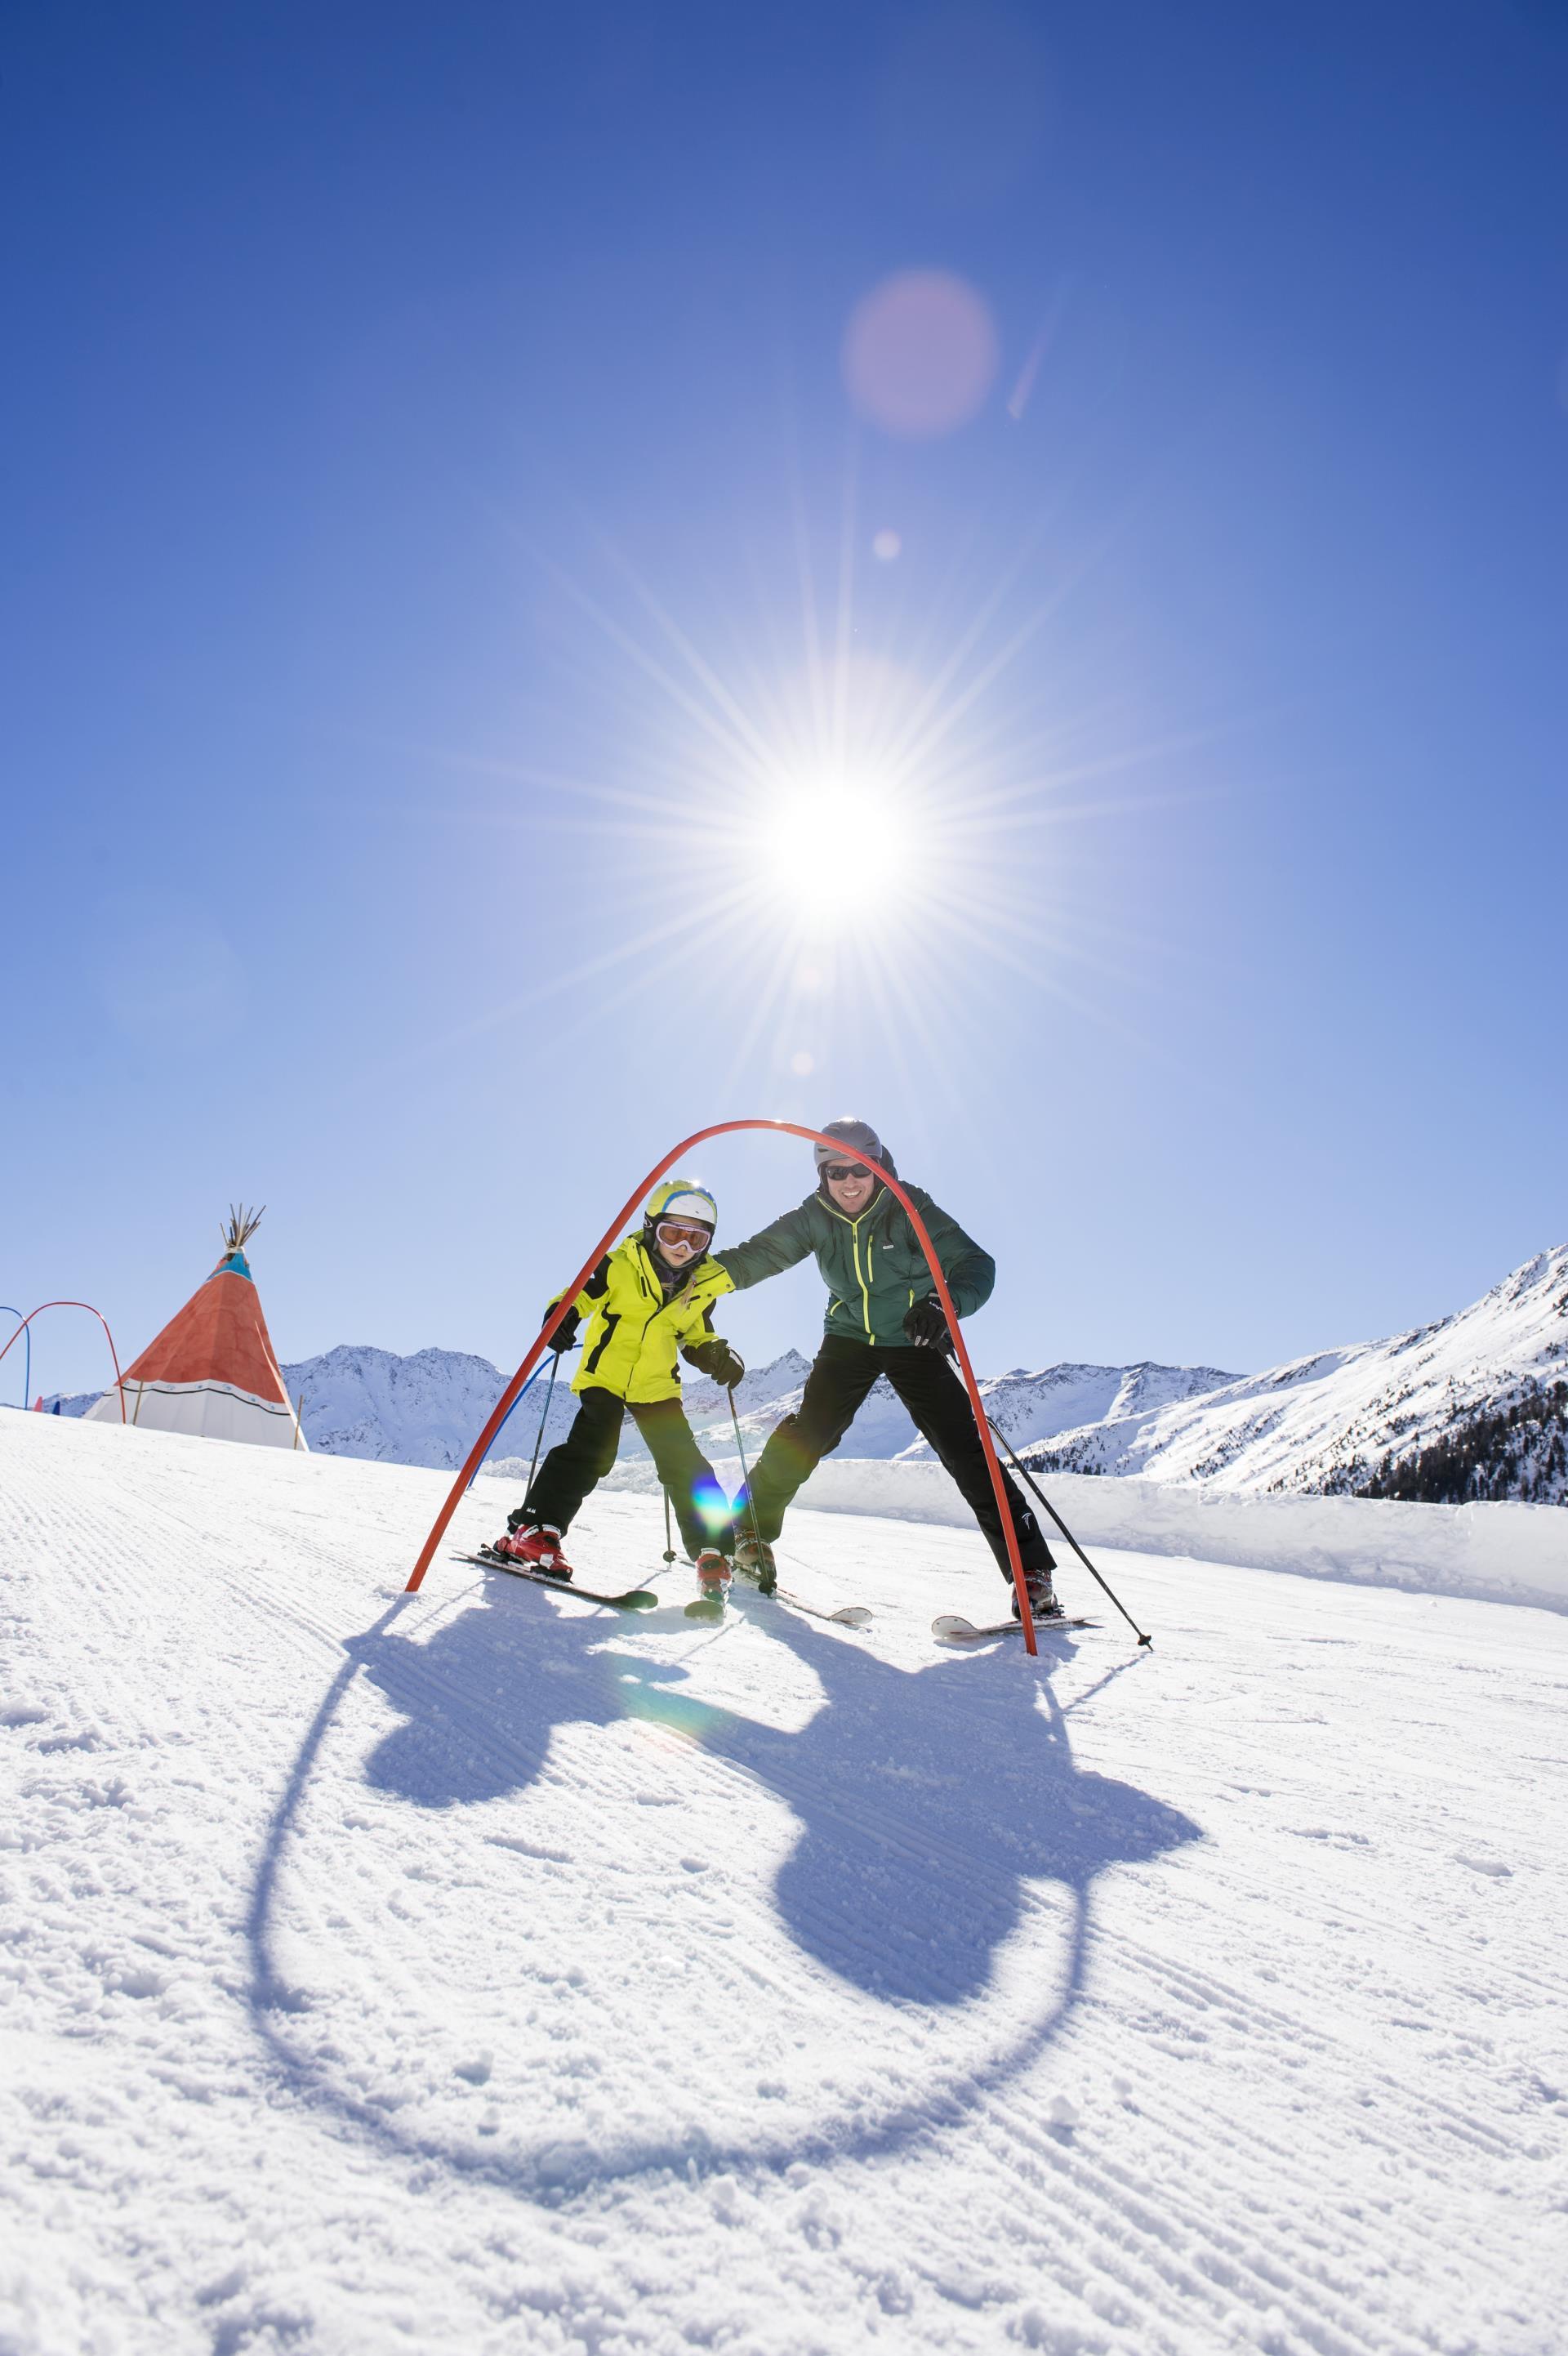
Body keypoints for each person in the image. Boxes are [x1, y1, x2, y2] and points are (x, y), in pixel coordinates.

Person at [715, 1120, 1060, 1619]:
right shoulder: (815, 1216)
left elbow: (975, 1265)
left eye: (860, 1169)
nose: (849, 1181)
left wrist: (944, 1307)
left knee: (966, 1448)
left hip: (914, 1335)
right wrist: (691, 1277)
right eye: (836, 1172)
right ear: (821, 1175)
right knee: (808, 1434)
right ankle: (745, 1533)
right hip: (849, 1336)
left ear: (877, 1167)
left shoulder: (909, 1206)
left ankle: (1032, 1574)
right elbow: (757, 1257)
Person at [491, 1180, 746, 1604]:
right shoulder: (618, 1265)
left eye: (696, 1238)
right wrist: (563, 1315)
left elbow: (694, 1333)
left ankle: (712, 1550)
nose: (683, 1247)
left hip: (657, 1385)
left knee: (685, 1464)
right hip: (605, 1377)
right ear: (651, 1228)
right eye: (673, 1233)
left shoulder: (697, 1287)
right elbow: (579, 1296)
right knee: (593, 1449)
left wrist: (714, 1354)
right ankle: (534, 1529)